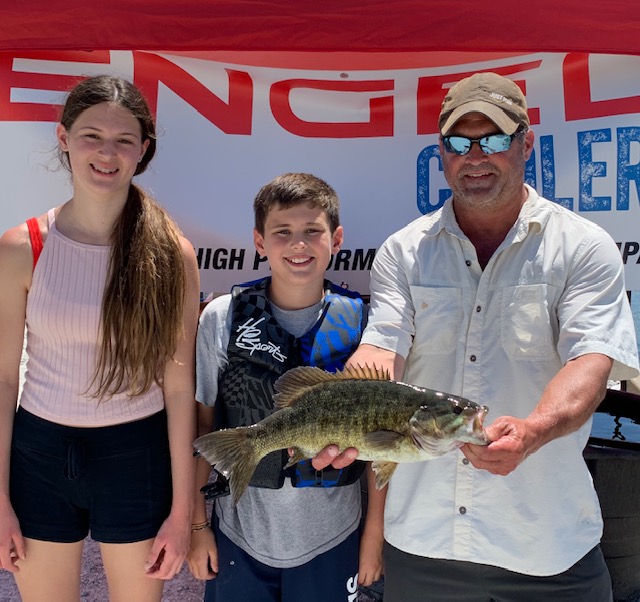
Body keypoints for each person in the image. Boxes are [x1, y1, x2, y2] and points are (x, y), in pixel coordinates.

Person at [315, 72, 640, 601]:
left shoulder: (584, 247)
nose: (475, 156)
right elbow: (382, 350)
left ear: (526, 143)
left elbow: (590, 365)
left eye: (493, 139)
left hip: (548, 546)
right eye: (459, 143)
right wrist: (348, 410)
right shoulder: (403, 250)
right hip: (424, 544)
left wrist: (534, 429)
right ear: (441, 152)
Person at [0, 75, 200, 601]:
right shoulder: (22, 247)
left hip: (136, 455)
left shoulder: (173, 255)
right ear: (64, 138)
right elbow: (2, 382)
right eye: (92, 136)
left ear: (143, 150)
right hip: (38, 455)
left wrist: (182, 513)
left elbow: (180, 391)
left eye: (123, 140)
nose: (106, 153)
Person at [187, 172, 382, 601]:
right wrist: (197, 527)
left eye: (313, 231)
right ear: (259, 242)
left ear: (337, 238)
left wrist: (373, 536)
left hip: (334, 537)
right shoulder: (223, 317)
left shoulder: (366, 327)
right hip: (238, 533)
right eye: (283, 233)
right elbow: (202, 432)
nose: (299, 244)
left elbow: (382, 448)